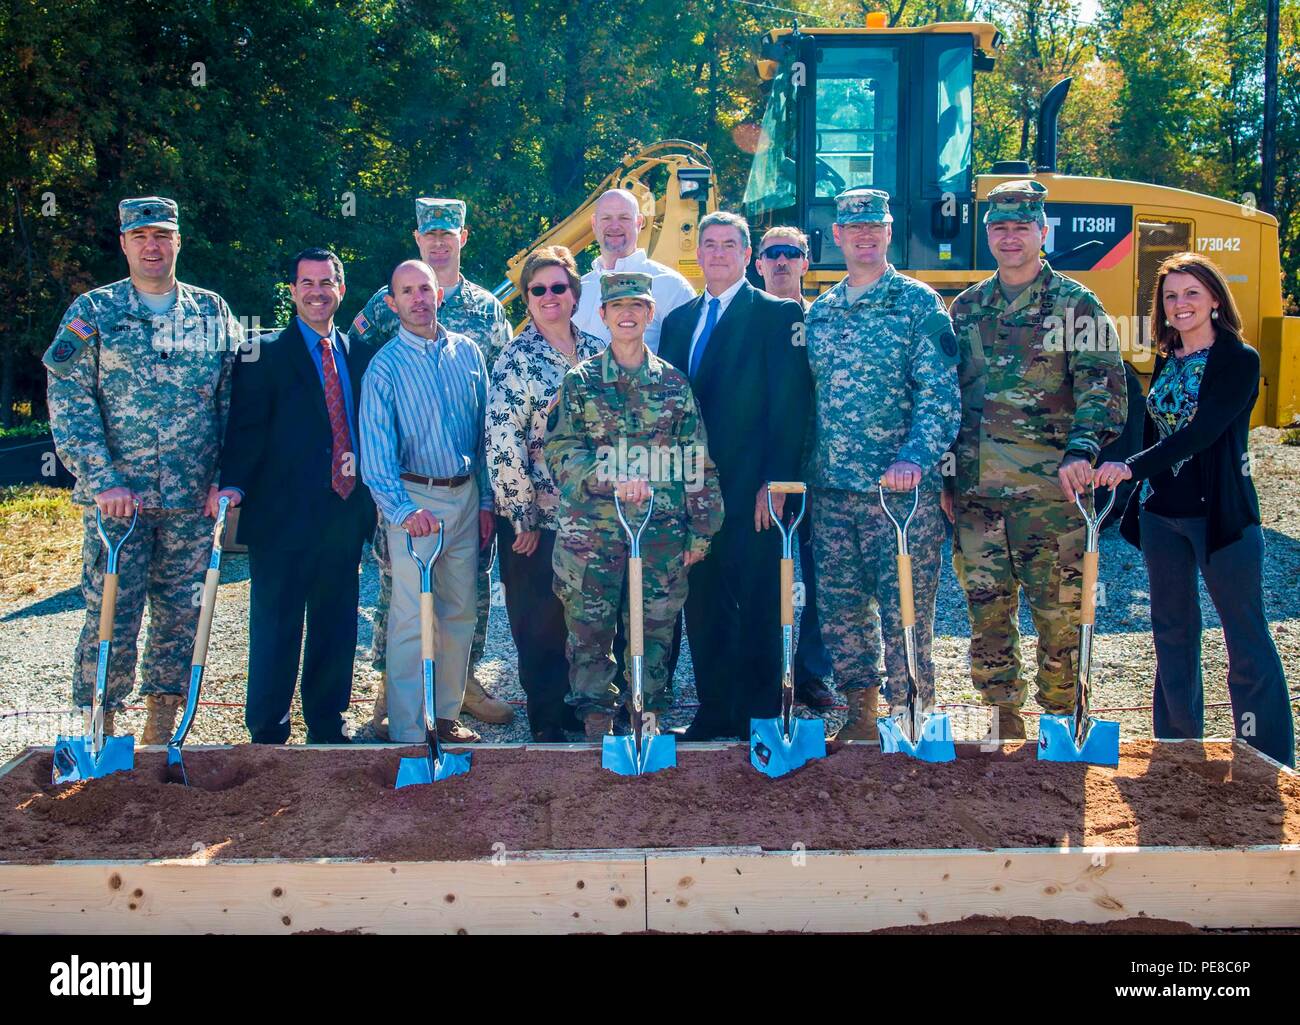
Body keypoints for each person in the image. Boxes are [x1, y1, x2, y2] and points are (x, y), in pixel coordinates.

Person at [44, 196, 239, 745]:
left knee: (180, 616)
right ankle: (98, 724)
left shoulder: (212, 312)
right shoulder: (93, 313)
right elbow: (70, 398)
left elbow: (231, 400)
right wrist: (102, 478)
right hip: (118, 502)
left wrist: (221, 477)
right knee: (110, 612)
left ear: (178, 242)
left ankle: (161, 724)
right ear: (124, 243)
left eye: (163, 236)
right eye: (141, 236)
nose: (152, 246)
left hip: (190, 498)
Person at [1095, 252, 1293, 767]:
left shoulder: (1239, 359)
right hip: (1164, 519)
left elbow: (1202, 433)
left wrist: (1129, 468)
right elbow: (1153, 427)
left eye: (1191, 294)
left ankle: (1264, 752)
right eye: (1170, 296)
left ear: (1214, 300)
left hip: (1221, 519)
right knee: (1172, 632)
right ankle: (1179, 746)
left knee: (1244, 635)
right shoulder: (1168, 358)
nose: (1180, 305)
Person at [947, 180, 1128, 740]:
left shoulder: (1075, 304)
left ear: (1042, 231)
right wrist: (947, 477)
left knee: (1060, 615)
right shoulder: (968, 307)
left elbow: (1104, 388)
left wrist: (1083, 449)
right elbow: (946, 396)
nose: (1009, 237)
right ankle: (1004, 719)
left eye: (1021, 226)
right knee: (987, 613)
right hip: (979, 498)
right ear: (988, 235)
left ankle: (1060, 722)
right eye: (999, 227)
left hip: (1055, 497)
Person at [351, 198, 513, 741]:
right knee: (408, 619)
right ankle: (404, 725)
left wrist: (487, 501)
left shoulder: (470, 350)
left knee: (458, 611)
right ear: (391, 304)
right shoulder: (384, 367)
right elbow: (375, 451)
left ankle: (445, 716)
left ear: (438, 295)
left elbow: (487, 433)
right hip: (413, 502)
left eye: (426, 290)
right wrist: (400, 509)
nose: (419, 299)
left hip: (466, 497)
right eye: (407, 292)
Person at [804, 189, 961, 742]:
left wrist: (916, 460)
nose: (865, 236)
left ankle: (914, 713)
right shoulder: (820, 313)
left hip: (900, 495)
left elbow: (940, 394)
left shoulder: (918, 305)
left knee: (907, 610)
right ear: (838, 237)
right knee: (842, 611)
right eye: (854, 228)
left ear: (888, 233)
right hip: (832, 492)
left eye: (876, 226)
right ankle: (862, 715)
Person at [545, 271, 723, 740]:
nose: (628, 314)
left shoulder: (672, 384)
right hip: (592, 535)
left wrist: (702, 530)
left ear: (649, 315)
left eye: (637, 307)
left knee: (655, 630)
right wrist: (610, 477)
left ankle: (646, 711)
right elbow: (561, 452)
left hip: (660, 533)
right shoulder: (579, 383)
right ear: (602, 316)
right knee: (589, 629)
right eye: (618, 307)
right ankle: (597, 717)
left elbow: (696, 459)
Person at [658, 211, 812, 740]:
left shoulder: (775, 315)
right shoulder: (678, 321)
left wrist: (778, 482)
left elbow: (791, 407)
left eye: (730, 245)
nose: (718, 254)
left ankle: (761, 713)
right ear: (697, 254)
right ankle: (715, 709)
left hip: (753, 487)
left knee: (759, 598)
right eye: (710, 245)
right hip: (691, 491)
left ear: (748, 256)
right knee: (703, 601)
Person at [216, 248, 376, 744]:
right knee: (277, 624)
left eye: (326, 282)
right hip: (281, 516)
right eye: (306, 282)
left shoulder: (361, 353)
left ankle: (328, 721)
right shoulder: (262, 352)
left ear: (341, 290)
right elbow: (244, 429)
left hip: (343, 513)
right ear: (292, 291)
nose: (317, 292)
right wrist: (233, 485)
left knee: (336, 622)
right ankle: (268, 727)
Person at [487, 246, 603, 740]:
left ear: (575, 295)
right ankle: (549, 722)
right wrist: (522, 515)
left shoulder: (602, 351)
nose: (550, 296)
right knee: (540, 625)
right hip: (542, 522)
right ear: (527, 300)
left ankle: (590, 709)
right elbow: (501, 440)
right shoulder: (516, 358)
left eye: (559, 287)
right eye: (539, 290)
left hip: (598, 519)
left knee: (593, 623)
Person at [753, 225, 835, 711]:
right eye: (772, 254)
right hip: (765, 470)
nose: (782, 261)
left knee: (820, 576)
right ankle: (766, 669)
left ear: (806, 263)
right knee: (767, 573)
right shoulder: (747, 319)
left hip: (820, 469)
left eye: (792, 254)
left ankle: (810, 673)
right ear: (757, 263)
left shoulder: (826, 318)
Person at [572, 189, 696, 353]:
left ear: (638, 223)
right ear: (594, 224)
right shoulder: (578, 289)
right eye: (606, 218)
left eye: (624, 218)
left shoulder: (671, 286)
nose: (615, 226)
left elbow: (690, 358)